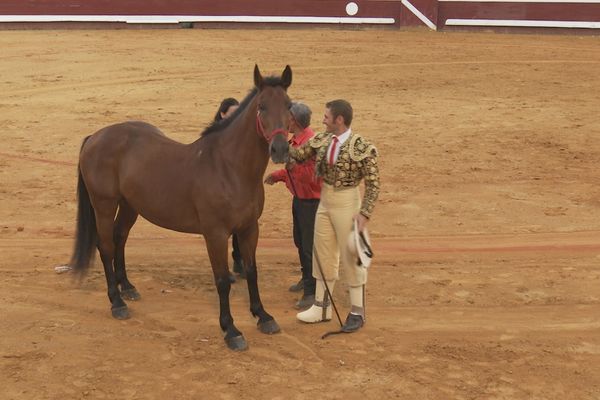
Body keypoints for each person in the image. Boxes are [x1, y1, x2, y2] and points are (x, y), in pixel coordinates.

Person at [288, 99, 380, 333]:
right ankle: (322, 307)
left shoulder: (361, 146)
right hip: (325, 201)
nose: (323, 120)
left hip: (348, 202)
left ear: (339, 120)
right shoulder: (322, 140)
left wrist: (365, 213)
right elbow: (299, 156)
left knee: (352, 255)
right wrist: (277, 140)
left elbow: (373, 184)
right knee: (323, 252)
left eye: (327, 116)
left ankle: (357, 312)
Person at [264, 102, 322, 310]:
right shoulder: (298, 139)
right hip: (300, 200)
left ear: (294, 121)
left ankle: (311, 290)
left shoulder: (310, 143)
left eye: (287, 118)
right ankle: (307, 278)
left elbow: (313, 178)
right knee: (300, 242)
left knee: (308, 247)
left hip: (311, 202)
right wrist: (279, 175)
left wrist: (289, 168)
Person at [213, 97, 244, 282]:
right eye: (232, 114)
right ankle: (224, 269)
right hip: (219, 188)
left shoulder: (240, 132)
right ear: (223, 114)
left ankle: (238, 260)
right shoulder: (214, 134)